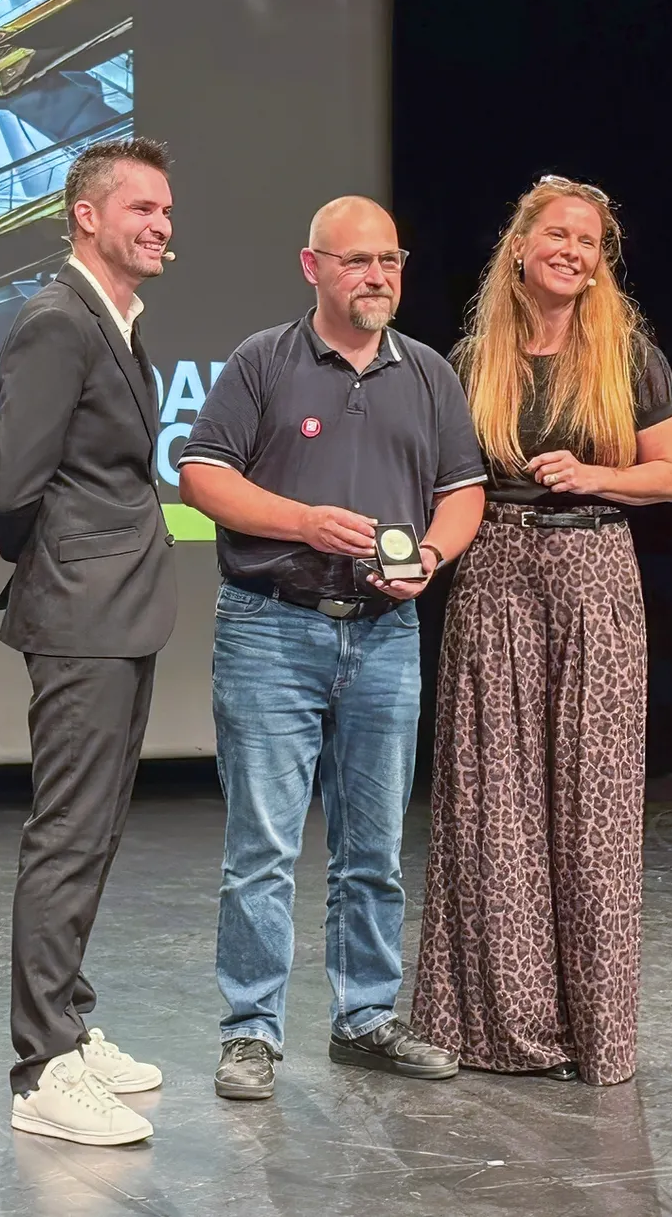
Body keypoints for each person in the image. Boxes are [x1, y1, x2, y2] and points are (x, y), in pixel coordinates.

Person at [177, 196, 487, 1101]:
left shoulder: (428, 372)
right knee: (263, 847)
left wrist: (431, 554)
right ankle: (250, 1031)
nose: (377, 276)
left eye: (390, 260)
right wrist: (304, 522)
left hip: (385, 632)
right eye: (357, 261)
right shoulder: (263, 360)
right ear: (313, 267)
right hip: (272, 626)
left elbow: (462, 491)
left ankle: (365, 1017)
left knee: (374, 847)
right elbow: (201, 476)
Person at [411, 175, 672, 1087]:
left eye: (589, 241)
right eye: (559, 235)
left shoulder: (628, 356)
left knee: (592, 805)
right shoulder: (471, 360)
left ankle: (594, 1030)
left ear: (600, 263)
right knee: (492, 802)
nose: (573, 251)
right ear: (521, 247)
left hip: (593, 574)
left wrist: (596, 475)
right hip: (494, 574)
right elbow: (446, 480)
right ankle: (502, 1028)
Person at [0, 136, 178, 1145]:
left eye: (166, 212)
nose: (161, 226)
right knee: (67, 833)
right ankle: (43, 1068)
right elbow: (12, 484)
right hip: (82, 611)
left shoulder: (115, 320)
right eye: (142, 208)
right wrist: (47, 553)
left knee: (94, 831)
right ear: (87, 216)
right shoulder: (58, 321)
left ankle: (71, 1020)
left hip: (117, 607)